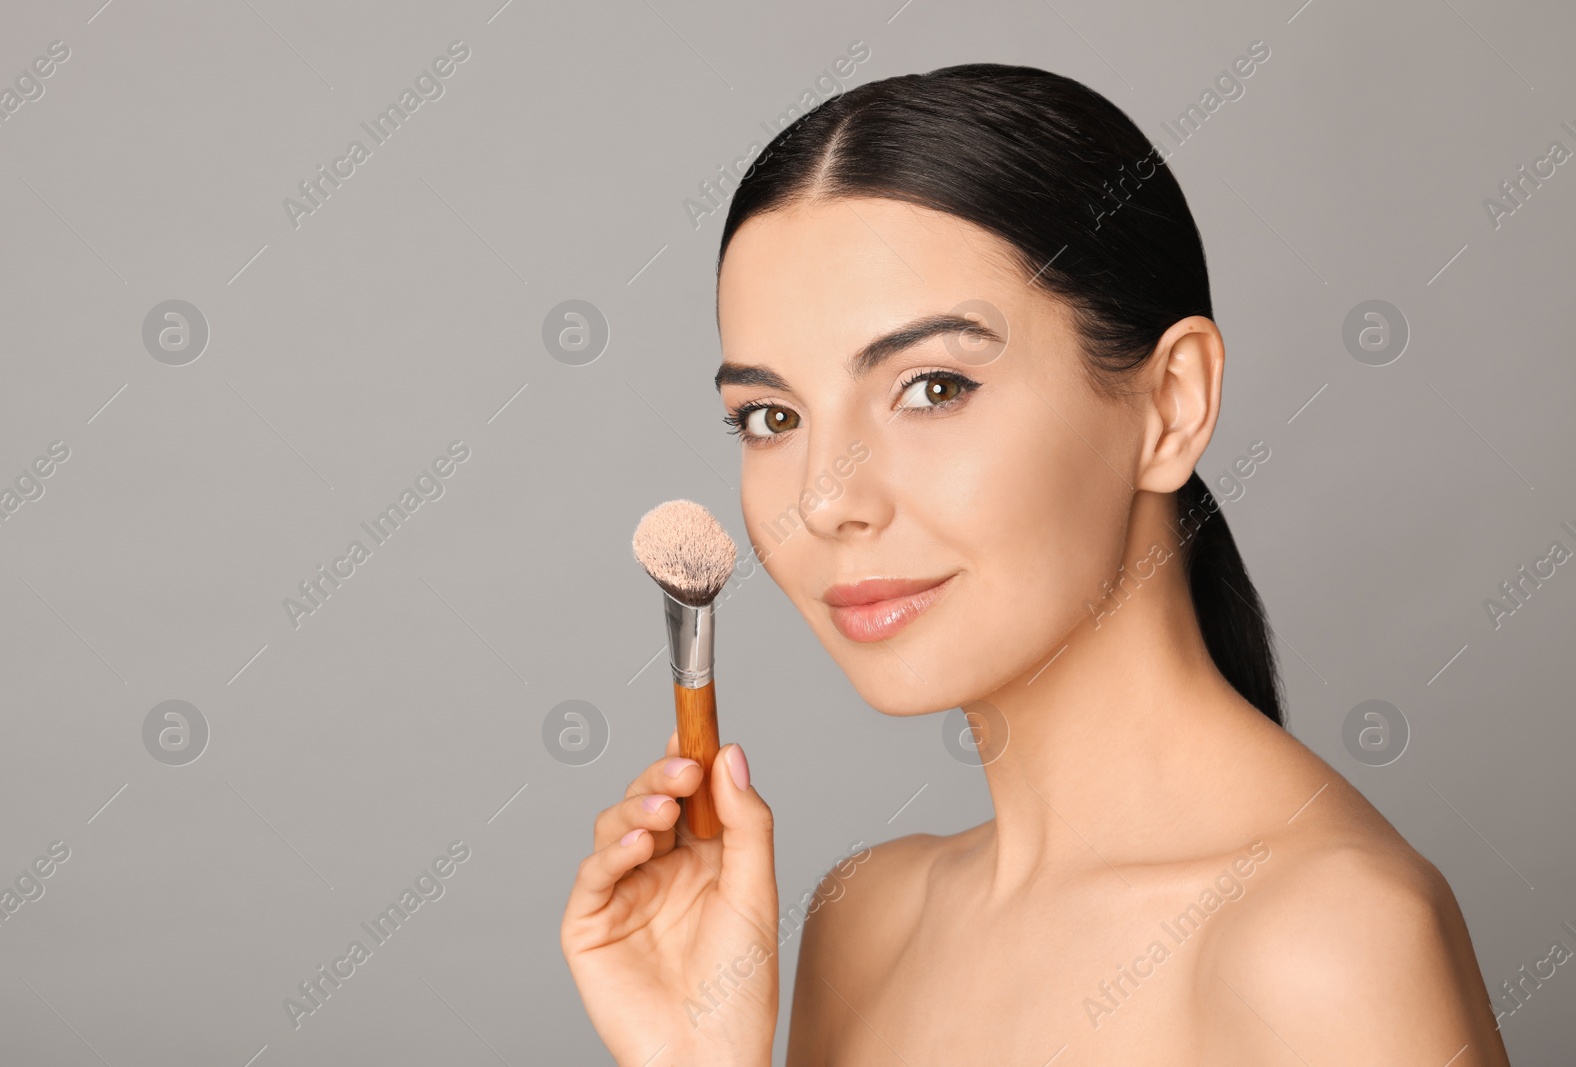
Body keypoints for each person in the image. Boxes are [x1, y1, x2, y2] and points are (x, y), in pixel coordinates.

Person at [561, 64, 1512, 1066]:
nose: (826, 497)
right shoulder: (865, 922)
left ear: (1170, 404)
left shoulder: (1326, 943)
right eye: (770, 417)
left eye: (932, 386)